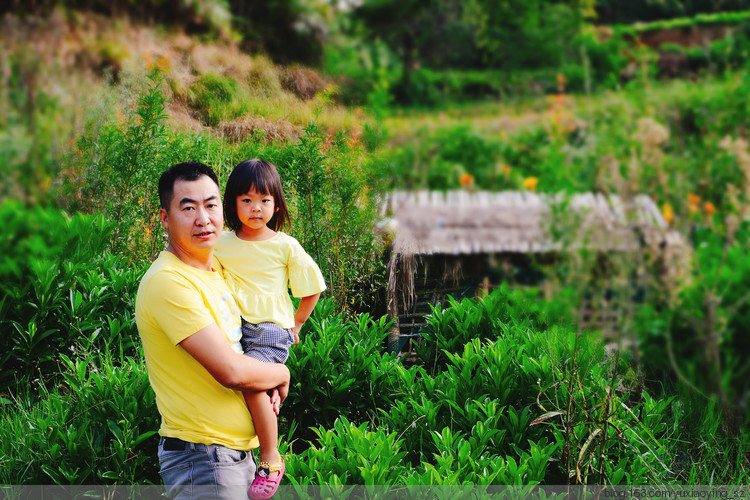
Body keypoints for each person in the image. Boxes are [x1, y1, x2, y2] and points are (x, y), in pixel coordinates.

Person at [135, 162, 291, 500]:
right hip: (203, 461)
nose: (203, 218)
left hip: (239, 460)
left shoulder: (218, 267)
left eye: (211, 204)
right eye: (188, 208)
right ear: (165, 218)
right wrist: (279, 371)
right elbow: (231, 370)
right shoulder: (168, 281)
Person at [214, 159, 325, 500]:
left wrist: (298, 322)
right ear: (232, 203)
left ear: (276, 204)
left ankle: (271, 459)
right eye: (246, 200)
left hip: (269, 328)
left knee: (250, 387)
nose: (256, 208)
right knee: (233, 387)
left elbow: (313, 287)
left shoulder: (284, 245)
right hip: (235, 328)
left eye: (264, 200)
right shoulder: (221, 242)